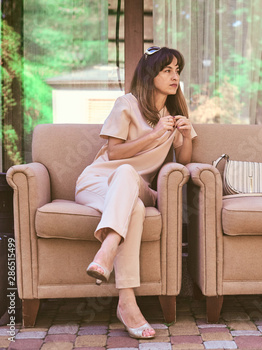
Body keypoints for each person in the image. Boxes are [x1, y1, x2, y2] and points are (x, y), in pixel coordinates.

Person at [75, 46, 196, 339]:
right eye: (167, 70)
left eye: (177, 70)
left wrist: (187, 132)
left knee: (130, 178)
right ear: (150, 73)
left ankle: (107, 248)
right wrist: (154, 135)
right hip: (99, 182)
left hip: (138, 187)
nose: (174, 76)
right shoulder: (126, 104)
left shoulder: (173, 115)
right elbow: (115, 153)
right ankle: (127, 303)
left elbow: (185, 162)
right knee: (134, 205)